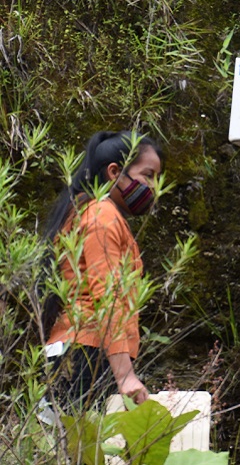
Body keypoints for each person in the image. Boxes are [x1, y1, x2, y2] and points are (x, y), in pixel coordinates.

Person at [44, 131, 163, 412]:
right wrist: (124, 375)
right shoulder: (102, 214)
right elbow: (106, 297)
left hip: (80, 353)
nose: (154, 187)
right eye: (148, 175)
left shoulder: (88, 211)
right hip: (83, 357)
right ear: (114, 172)